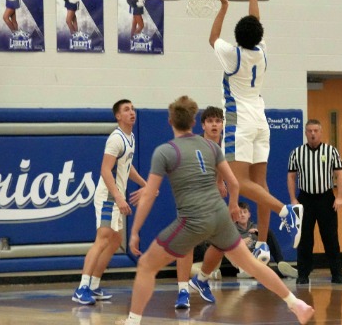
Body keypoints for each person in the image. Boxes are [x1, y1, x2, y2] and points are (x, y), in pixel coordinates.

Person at [120, 96, 314, 325]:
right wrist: (232, 206)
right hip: (220, 216)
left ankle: (133, 320)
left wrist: (135, 231)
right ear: (195, 122)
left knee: (145, 265)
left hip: (193, 218)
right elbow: (234, 183)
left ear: (170, 120)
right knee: (251, 264)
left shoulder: (165, 151)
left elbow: (149, 195)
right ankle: (295, 303)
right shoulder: (212, 146)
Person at [210, 0, 303, 263]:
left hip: (240, 121)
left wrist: (224, 6)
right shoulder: (261, 51)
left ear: (238, 36)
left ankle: (286, 211)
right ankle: (262, 243)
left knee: (238, 182)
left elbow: (212, 38)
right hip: (261, 120)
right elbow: (255, 20)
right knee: (259, 185)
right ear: (257, 35)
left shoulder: (232, 54)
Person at [72, 99, 148, 305]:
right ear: (118, 116)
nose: (132, 112)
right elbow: (105, 170)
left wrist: (145, 184)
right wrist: (118, 197)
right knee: (103, 238)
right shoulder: (116, 139)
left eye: (132, 109)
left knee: (115, 241)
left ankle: (94, 285)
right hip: (108, 196)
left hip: (116, 196)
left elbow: (127, 166)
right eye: (127, 110)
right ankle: (82, 288)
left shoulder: (130, 137)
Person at [174, 106, 226, 310]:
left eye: (218, 121)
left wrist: (220, 182)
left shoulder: (224, 146)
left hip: (212, 200)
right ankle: (182, 292)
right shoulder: (195, 144)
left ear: (222, 125)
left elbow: (220, 167)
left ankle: (201, 279)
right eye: (210, 121)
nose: (214, 124)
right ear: (203, 125)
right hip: (191, 198)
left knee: (223, 242)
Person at [288, 119, 342, 285]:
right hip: (305, 199)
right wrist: (293, 199)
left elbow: (340, 174)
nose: (313, 134)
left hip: (326, 198)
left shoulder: (331, 151)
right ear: (306, 133)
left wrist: (340, 196)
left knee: (330, 238)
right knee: (305, 239)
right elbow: (291, 177)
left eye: (316, 131)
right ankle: (303, 275)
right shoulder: (297, 153)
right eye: (310, 131)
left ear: (321, 132)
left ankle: (337, 274)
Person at [234, 201, 298, 280]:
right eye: (240, 212)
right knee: (264, 271)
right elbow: (230, 246)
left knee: (267, 232)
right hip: (246, 261)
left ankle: (281, 263)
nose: (242, 215)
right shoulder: (233, 229)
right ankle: (284, 272)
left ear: (249, 214)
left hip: (260, 260)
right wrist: (247, 239)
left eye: (245, 212)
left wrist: (260, 234)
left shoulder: (257, 227)